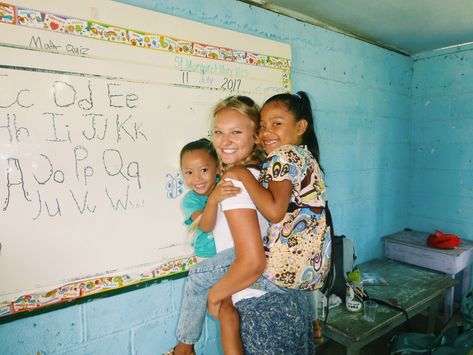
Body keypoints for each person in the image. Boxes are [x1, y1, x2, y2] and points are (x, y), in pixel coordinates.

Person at [171, 95, 268, 355]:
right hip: (229, 259)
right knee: (227, 312)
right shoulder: (257, 174)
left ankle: (184, 345)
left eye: (236, 132)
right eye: (219, 132)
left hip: (241, 259)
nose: (226, 140)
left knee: (199, 283)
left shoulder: (235, 179)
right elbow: (206, 225)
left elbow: (250, 255)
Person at [179, 138, 240, 260]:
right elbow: (206, 226)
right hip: (208, 257)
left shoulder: (226, 185)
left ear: (217, 168)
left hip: (234, 250)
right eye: (189, 172)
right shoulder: (190, 201)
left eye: (204, 170)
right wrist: (213, 200)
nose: (197, 178)